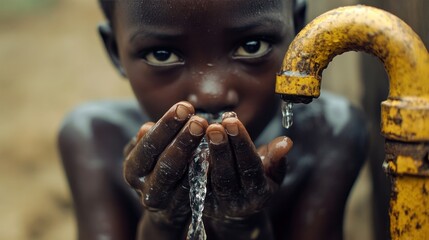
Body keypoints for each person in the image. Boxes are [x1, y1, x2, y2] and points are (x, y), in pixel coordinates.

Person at [58, 0, 368, 239]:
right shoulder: (95, 142)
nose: (211, 94)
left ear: (299, 32)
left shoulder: (329, 134)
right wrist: (162, 224)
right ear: (115, 51)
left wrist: (245, 228)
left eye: (251, 46)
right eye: (162, 54)